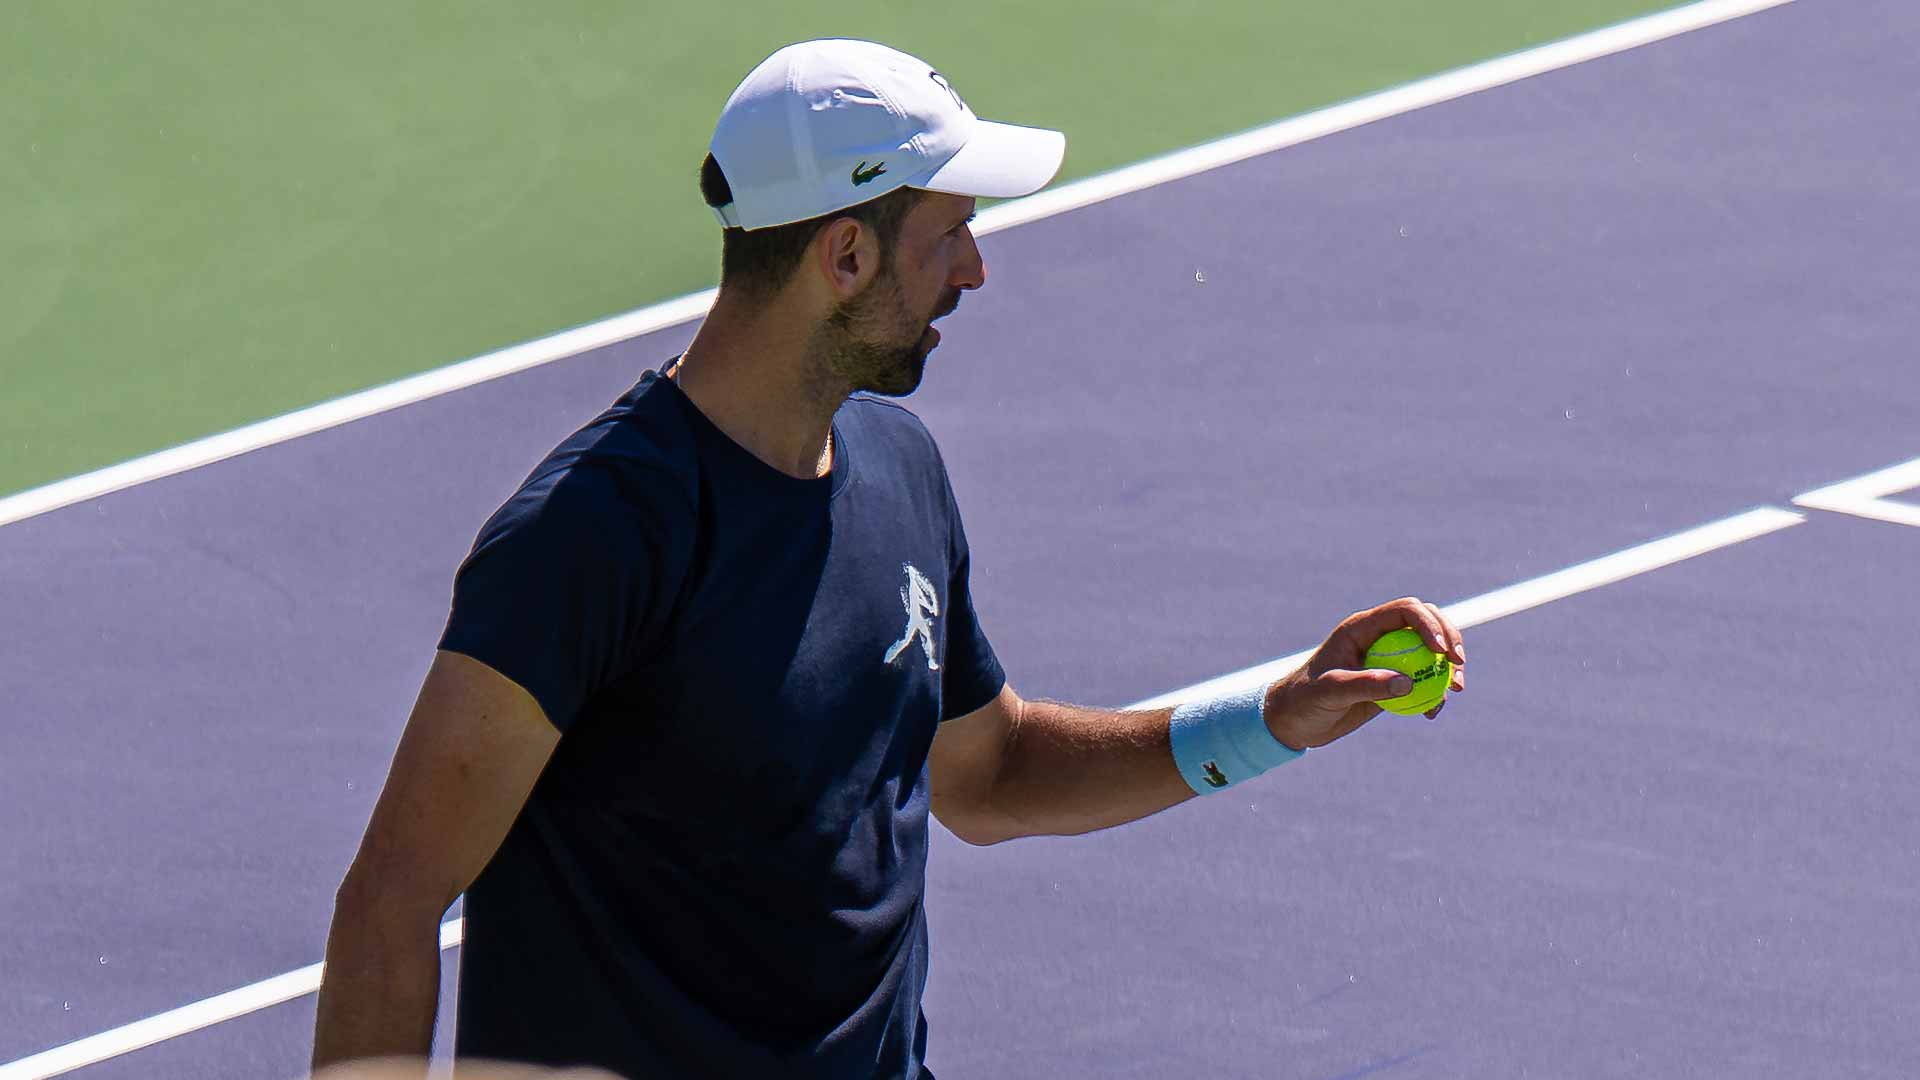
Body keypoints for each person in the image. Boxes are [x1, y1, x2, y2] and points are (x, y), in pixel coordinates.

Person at [309, 37, 1467, 1080]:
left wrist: (1273, 718)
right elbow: (394, 900)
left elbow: (992, 773)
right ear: (847, 253)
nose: (974, 270)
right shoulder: (594, 534)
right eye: (951, 233)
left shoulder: (900, 469)